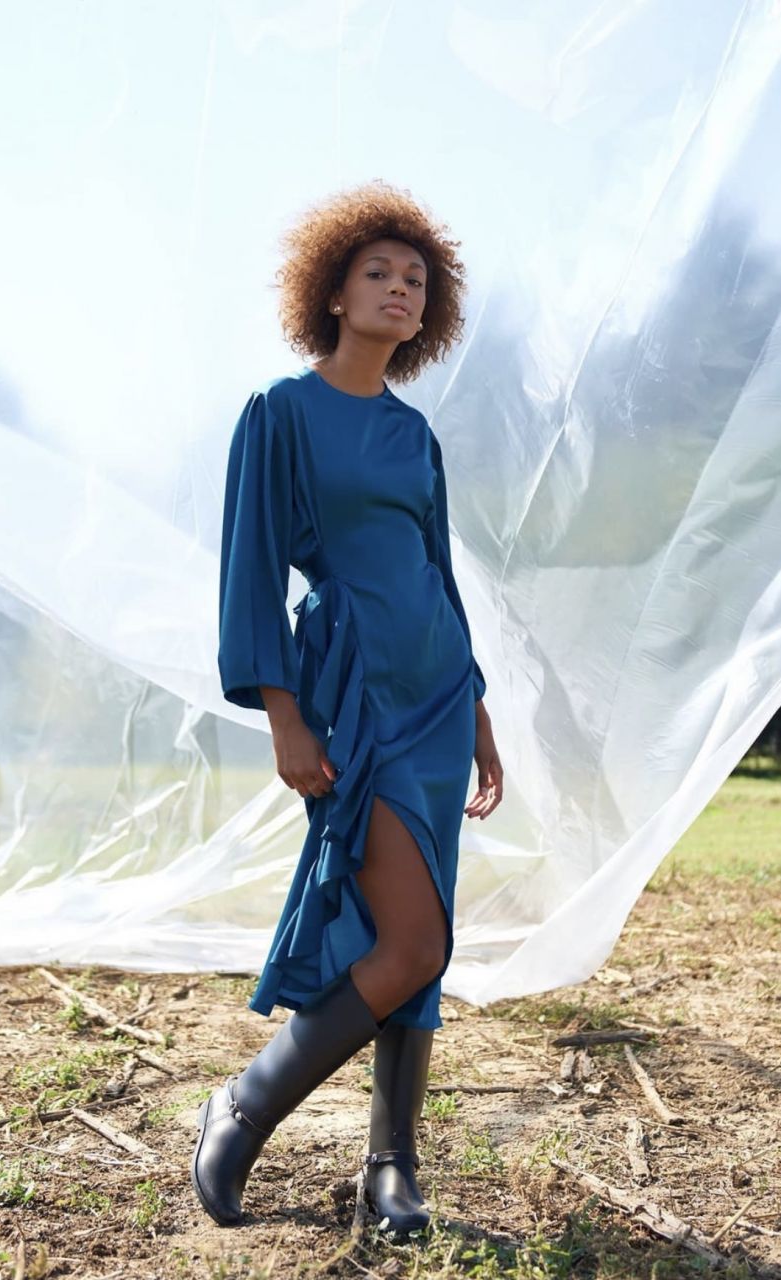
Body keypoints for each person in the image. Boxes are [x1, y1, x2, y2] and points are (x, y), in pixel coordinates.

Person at [192, 179, 504, 1231]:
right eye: (378, 272)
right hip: (356, 696)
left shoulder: (415, 436)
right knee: (408, 941)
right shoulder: (280, 413)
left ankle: (391, 1170)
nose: (399, 288)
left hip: (438, 694)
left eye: (415, 279)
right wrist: (283, 713)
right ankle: (245, 1104)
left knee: (424, 932)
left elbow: (437, 572)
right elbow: (248, 571)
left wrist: (478, 708)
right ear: (332, 291)